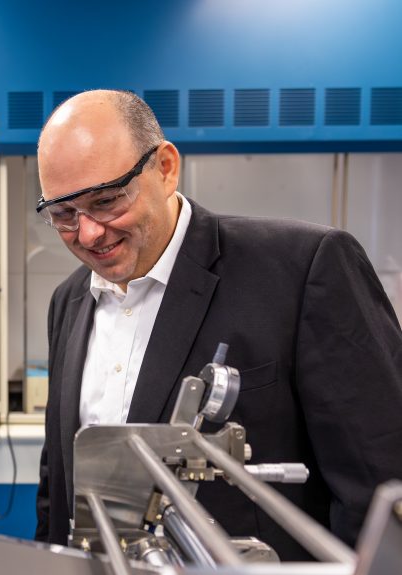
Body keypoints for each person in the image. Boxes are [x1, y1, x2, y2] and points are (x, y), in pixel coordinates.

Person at [33, 89, 402, 559]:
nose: (87, 233)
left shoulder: (302, 270)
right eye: (64, 215)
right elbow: (57, 486)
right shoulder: (70, 301)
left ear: (165, 168)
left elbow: (380, 483)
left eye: (106, 201)